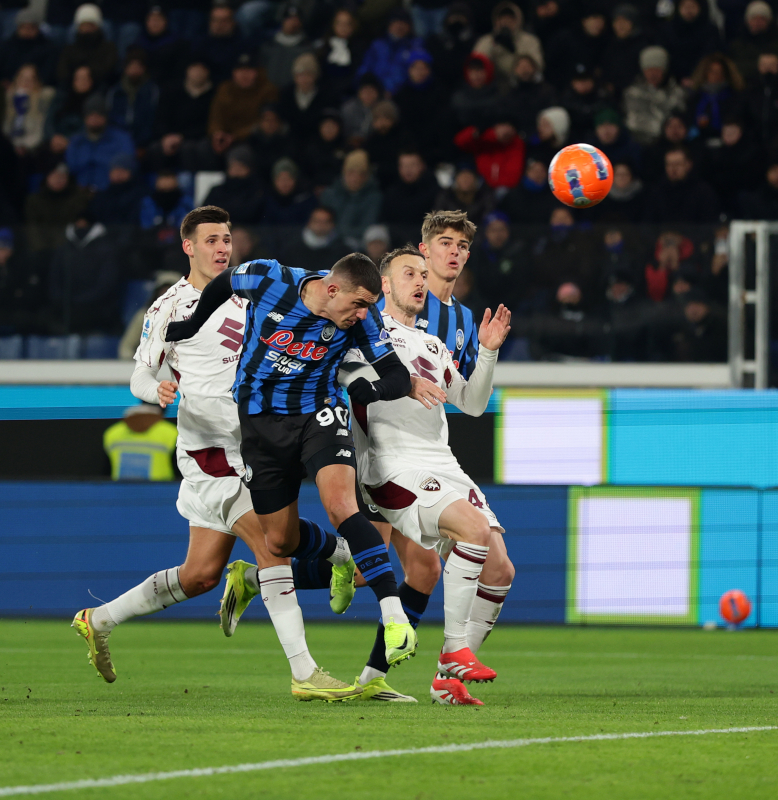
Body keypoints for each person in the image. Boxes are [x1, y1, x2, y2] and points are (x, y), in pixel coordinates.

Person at [74, 206, 361, 701]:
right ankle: (305, 671)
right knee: (273, 544)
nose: (222, 247)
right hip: (211, 447)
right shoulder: (168, 307)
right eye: (210, 240)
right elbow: (140, 373)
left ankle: (98, 619)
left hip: (257, 437)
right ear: (188, 246)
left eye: (226, 238)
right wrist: (156, 391)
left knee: (201, 574)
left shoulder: (252, 289)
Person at [162, 221, 420, 684]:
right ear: (332, 287)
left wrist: (367, 388)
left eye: (369, 307)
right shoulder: (270, 278)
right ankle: (340, 557)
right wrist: (191, 323)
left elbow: (398, 377)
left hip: (318, 413)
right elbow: (223, 282)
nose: (363, 315)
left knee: (342, 505)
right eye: (358, 304)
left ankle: (393, 614)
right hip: (259, 425)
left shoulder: (363, 319)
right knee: (278, 541)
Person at [350, 211, 515, 704]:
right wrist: (400, 382)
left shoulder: (435, 342)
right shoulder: (364, 333)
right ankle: (451, 653)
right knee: (468, 533)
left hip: (441, 462)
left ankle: (448, 680)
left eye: (423, 277)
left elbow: (473, 404)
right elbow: (352, 384)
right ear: (384, 284)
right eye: (410, 273)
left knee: (500, 569)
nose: (421, 282)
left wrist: (487, 353)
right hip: (391, 462)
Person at [623, 46, 686, 147]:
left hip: (671, 145)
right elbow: (633, 123)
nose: (653, 74)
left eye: (657, 69)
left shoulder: (677, 92)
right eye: (649, 70)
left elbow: (679, 119)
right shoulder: (633, 94)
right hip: (641, 144)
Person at [102, 403, 178, 481]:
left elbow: (105, 471)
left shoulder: (113, 433)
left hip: (120, 490)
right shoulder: (171, 432)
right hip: (162, 490)